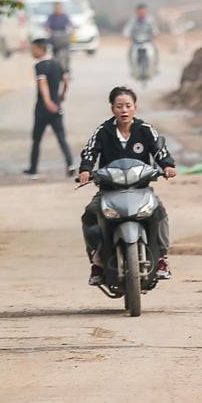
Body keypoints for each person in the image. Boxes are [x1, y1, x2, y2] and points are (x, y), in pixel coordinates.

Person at [76, 86, 176, 286]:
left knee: (159, 212)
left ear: (135, 108)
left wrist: (167, 166)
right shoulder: (103, 131)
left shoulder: (145, 130)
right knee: (89, 216)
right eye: (119, 106)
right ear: (112, 108)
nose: (124, 110)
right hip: (108, 191)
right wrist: (86, 169)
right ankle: (97, 261)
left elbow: (160, 151)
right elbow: (90, 151)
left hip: (140, 189)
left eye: (128, 106)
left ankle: (162, 258)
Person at [25, 38, 71, 177]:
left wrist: (47, 101)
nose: (32, 51)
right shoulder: (57, 63)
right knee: (61, 137)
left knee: (37, 139)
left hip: (42, 109)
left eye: (34, 49)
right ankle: (70, 164)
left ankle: (33, 170)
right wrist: (62, 96)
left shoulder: (40, 66)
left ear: (41, 49)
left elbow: (43, 83)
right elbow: (66, 81)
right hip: (57, 107)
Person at [44, 0, 73, 71]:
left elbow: (70, 25)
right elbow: (47, 25)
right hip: (54, 39)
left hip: (63, 39)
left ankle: (67, 69)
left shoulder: (64, 16)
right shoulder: (51, 17)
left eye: (59, 8)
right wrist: (48, 29)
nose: (58, 10)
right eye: (56, 8)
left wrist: (71, 30)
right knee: (53, 55)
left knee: (67, 54)